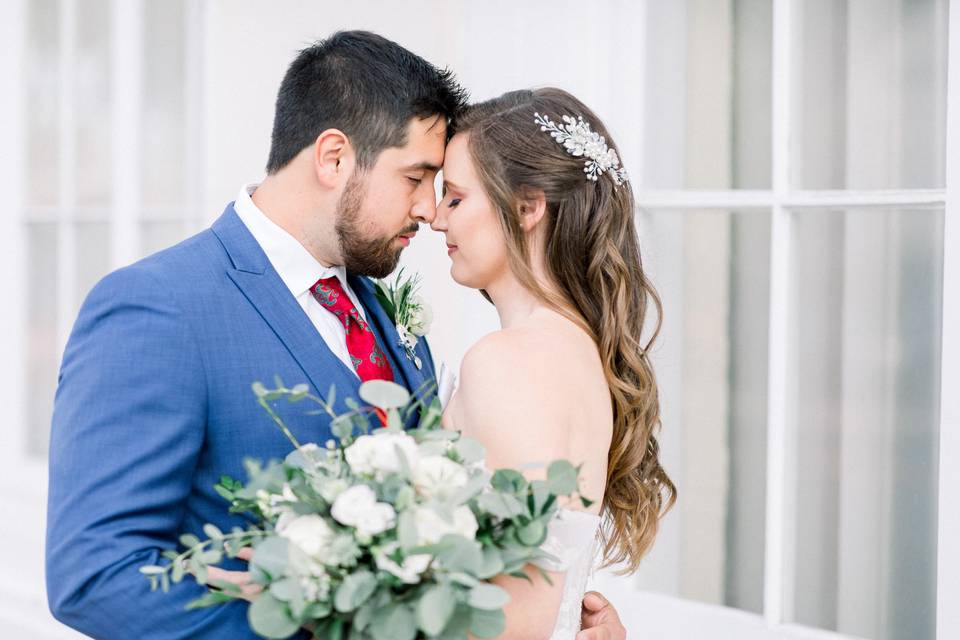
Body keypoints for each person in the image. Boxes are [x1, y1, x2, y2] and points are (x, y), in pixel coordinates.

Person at [46, 31, 627, 639]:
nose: (431, 211)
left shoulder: (385, 310)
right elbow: (96, 576)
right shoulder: (159, 307)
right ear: (334, 158)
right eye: (416, 177)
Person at [434, 87, 676, 638]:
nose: (436, 221)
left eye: (455, 198)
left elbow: (512, 620)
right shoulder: (578, 350)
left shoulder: (507, 362)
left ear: (527, 207)